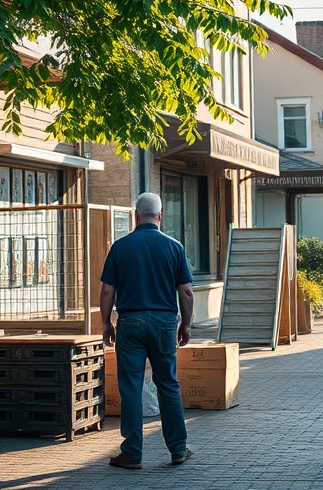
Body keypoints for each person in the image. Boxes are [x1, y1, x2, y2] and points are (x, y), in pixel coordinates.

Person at [100, 192, 194, 469]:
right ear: (160, 216)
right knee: (168, 385)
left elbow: (107, 290)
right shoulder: (174, 246)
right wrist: (185, 324)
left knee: (131, 387)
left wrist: (106, 323)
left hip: (129, 322)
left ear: (135, 215)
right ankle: (178, 449)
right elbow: (186, 293)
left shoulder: (120, 246)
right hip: (164, 323)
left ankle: (132, 453)